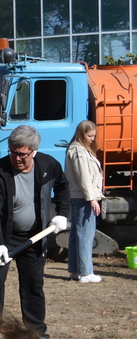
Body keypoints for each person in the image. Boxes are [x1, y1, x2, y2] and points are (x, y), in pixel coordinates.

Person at [0, 125, 69, 339]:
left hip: (35, 236)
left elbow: (64, 188)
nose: (17, 158)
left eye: (22, 154)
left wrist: (63, 214)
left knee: (33, 284)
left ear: (34, 152)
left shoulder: (48, 166)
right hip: (5, 237)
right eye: (13, 152)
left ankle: (36, 334)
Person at [65, 120, 103, 283]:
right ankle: (86, 272)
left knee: (77, 233)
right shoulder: (79, 152)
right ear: (81, 134)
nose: (92, 139)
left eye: (94, 136)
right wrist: (92, 199)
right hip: (84, 197)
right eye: (90, 136)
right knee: (85, 234)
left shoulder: (76, 149)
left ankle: (75, 270)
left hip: (79, 196)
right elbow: (84, 178)